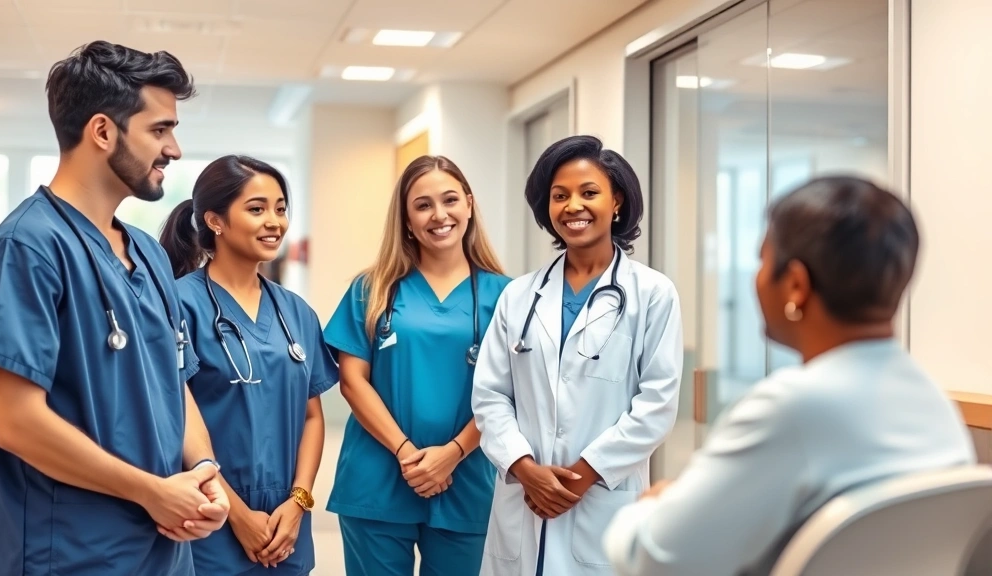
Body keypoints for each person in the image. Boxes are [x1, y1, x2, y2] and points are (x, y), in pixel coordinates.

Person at [603, 176, 977, 576]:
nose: (758, 279)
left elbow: (655, 560)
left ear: (796, 284)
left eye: (763, 261)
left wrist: (650, 507)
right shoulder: (933, 403)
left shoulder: (791, 408)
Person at [0, 41, 230, 576]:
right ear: (104, 131)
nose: (174, 149)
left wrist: (203, 472)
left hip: (160, 549)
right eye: (160, 130)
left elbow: (172, 381)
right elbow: (16, 423)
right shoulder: (28, 248)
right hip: (64, 552)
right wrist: (152, 492)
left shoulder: (150, 255)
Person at [471, 134, 684, 576]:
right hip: (523, 501)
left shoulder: (653, 294)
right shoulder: (519, 296)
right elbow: (490, 395)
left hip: (602, 499)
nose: (573, 206)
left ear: (617, 201)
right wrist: (525, 468)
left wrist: (582, 475)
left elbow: (656, 405)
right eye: (559, 196)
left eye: (589, 193)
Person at [323, 155, 511, 576]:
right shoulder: (372, 288)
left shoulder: (508, 296)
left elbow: (509, 391)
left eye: (449, 200)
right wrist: (408, 454)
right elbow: (352, 382)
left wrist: (452, 454)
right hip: (378, 476)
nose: (439, 215)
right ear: (407, 220)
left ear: (469, 204)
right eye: (423, 205)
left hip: (465, 479)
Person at [159, 155, 337, 575]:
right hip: (209, 513)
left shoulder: (296, 312)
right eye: (257, 209)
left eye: (280, 208)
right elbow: (174, 419)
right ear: (215, 221)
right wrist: (236, 516)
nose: (274, 221)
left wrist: (298, 504)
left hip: (286, 522)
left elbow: (313, 415)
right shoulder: (178, 305)